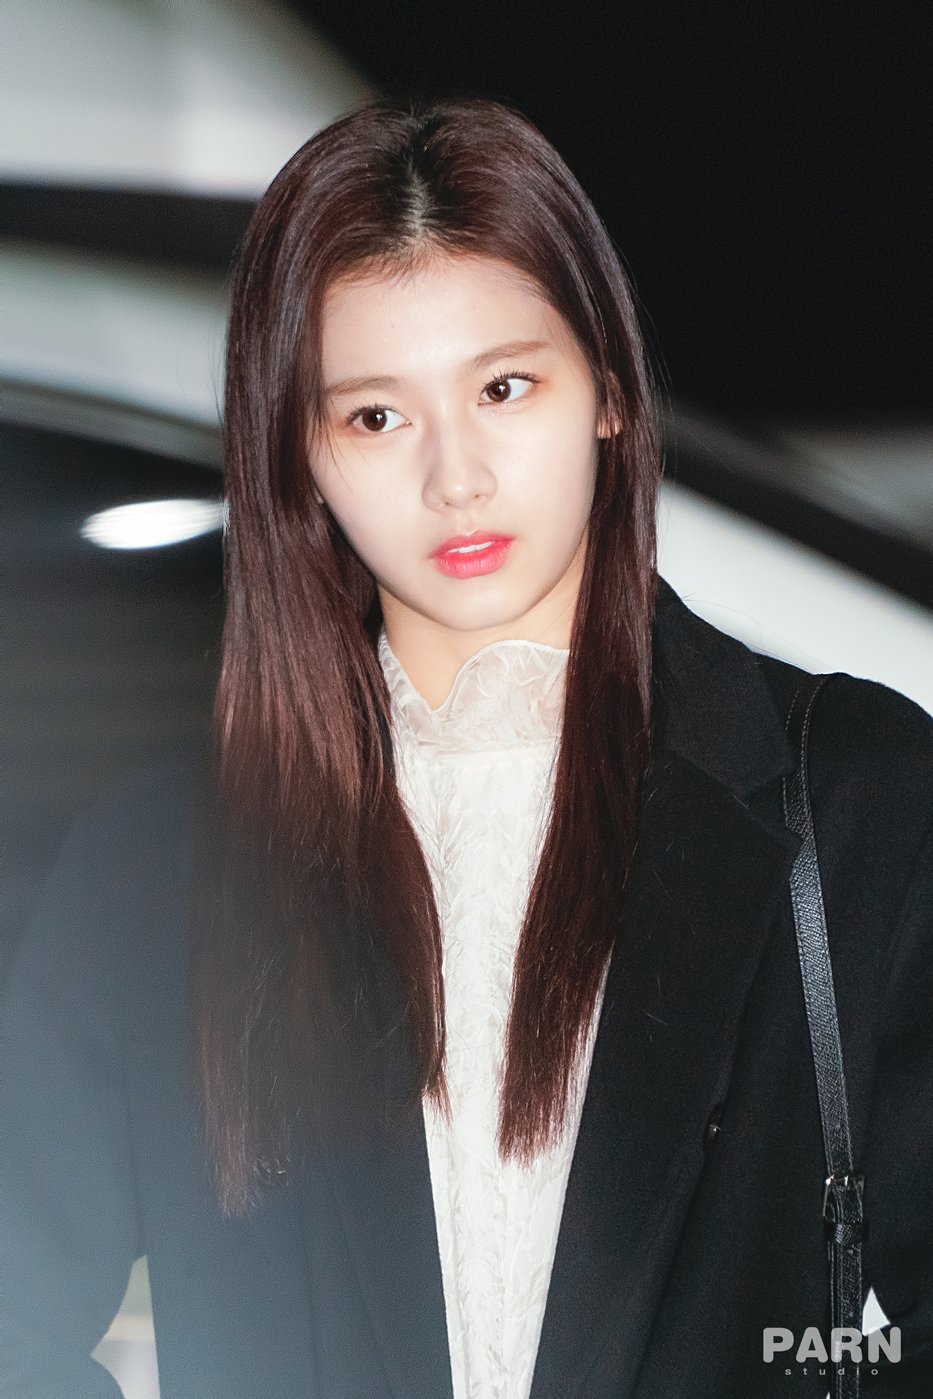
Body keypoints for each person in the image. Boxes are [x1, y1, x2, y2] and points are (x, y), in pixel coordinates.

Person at [1, 96, 931, 1399]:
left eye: (504, 387)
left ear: (608, 392)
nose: (455, 478)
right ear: (300, 455)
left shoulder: (855, 800)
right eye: (375, 417)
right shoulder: (162, 869)